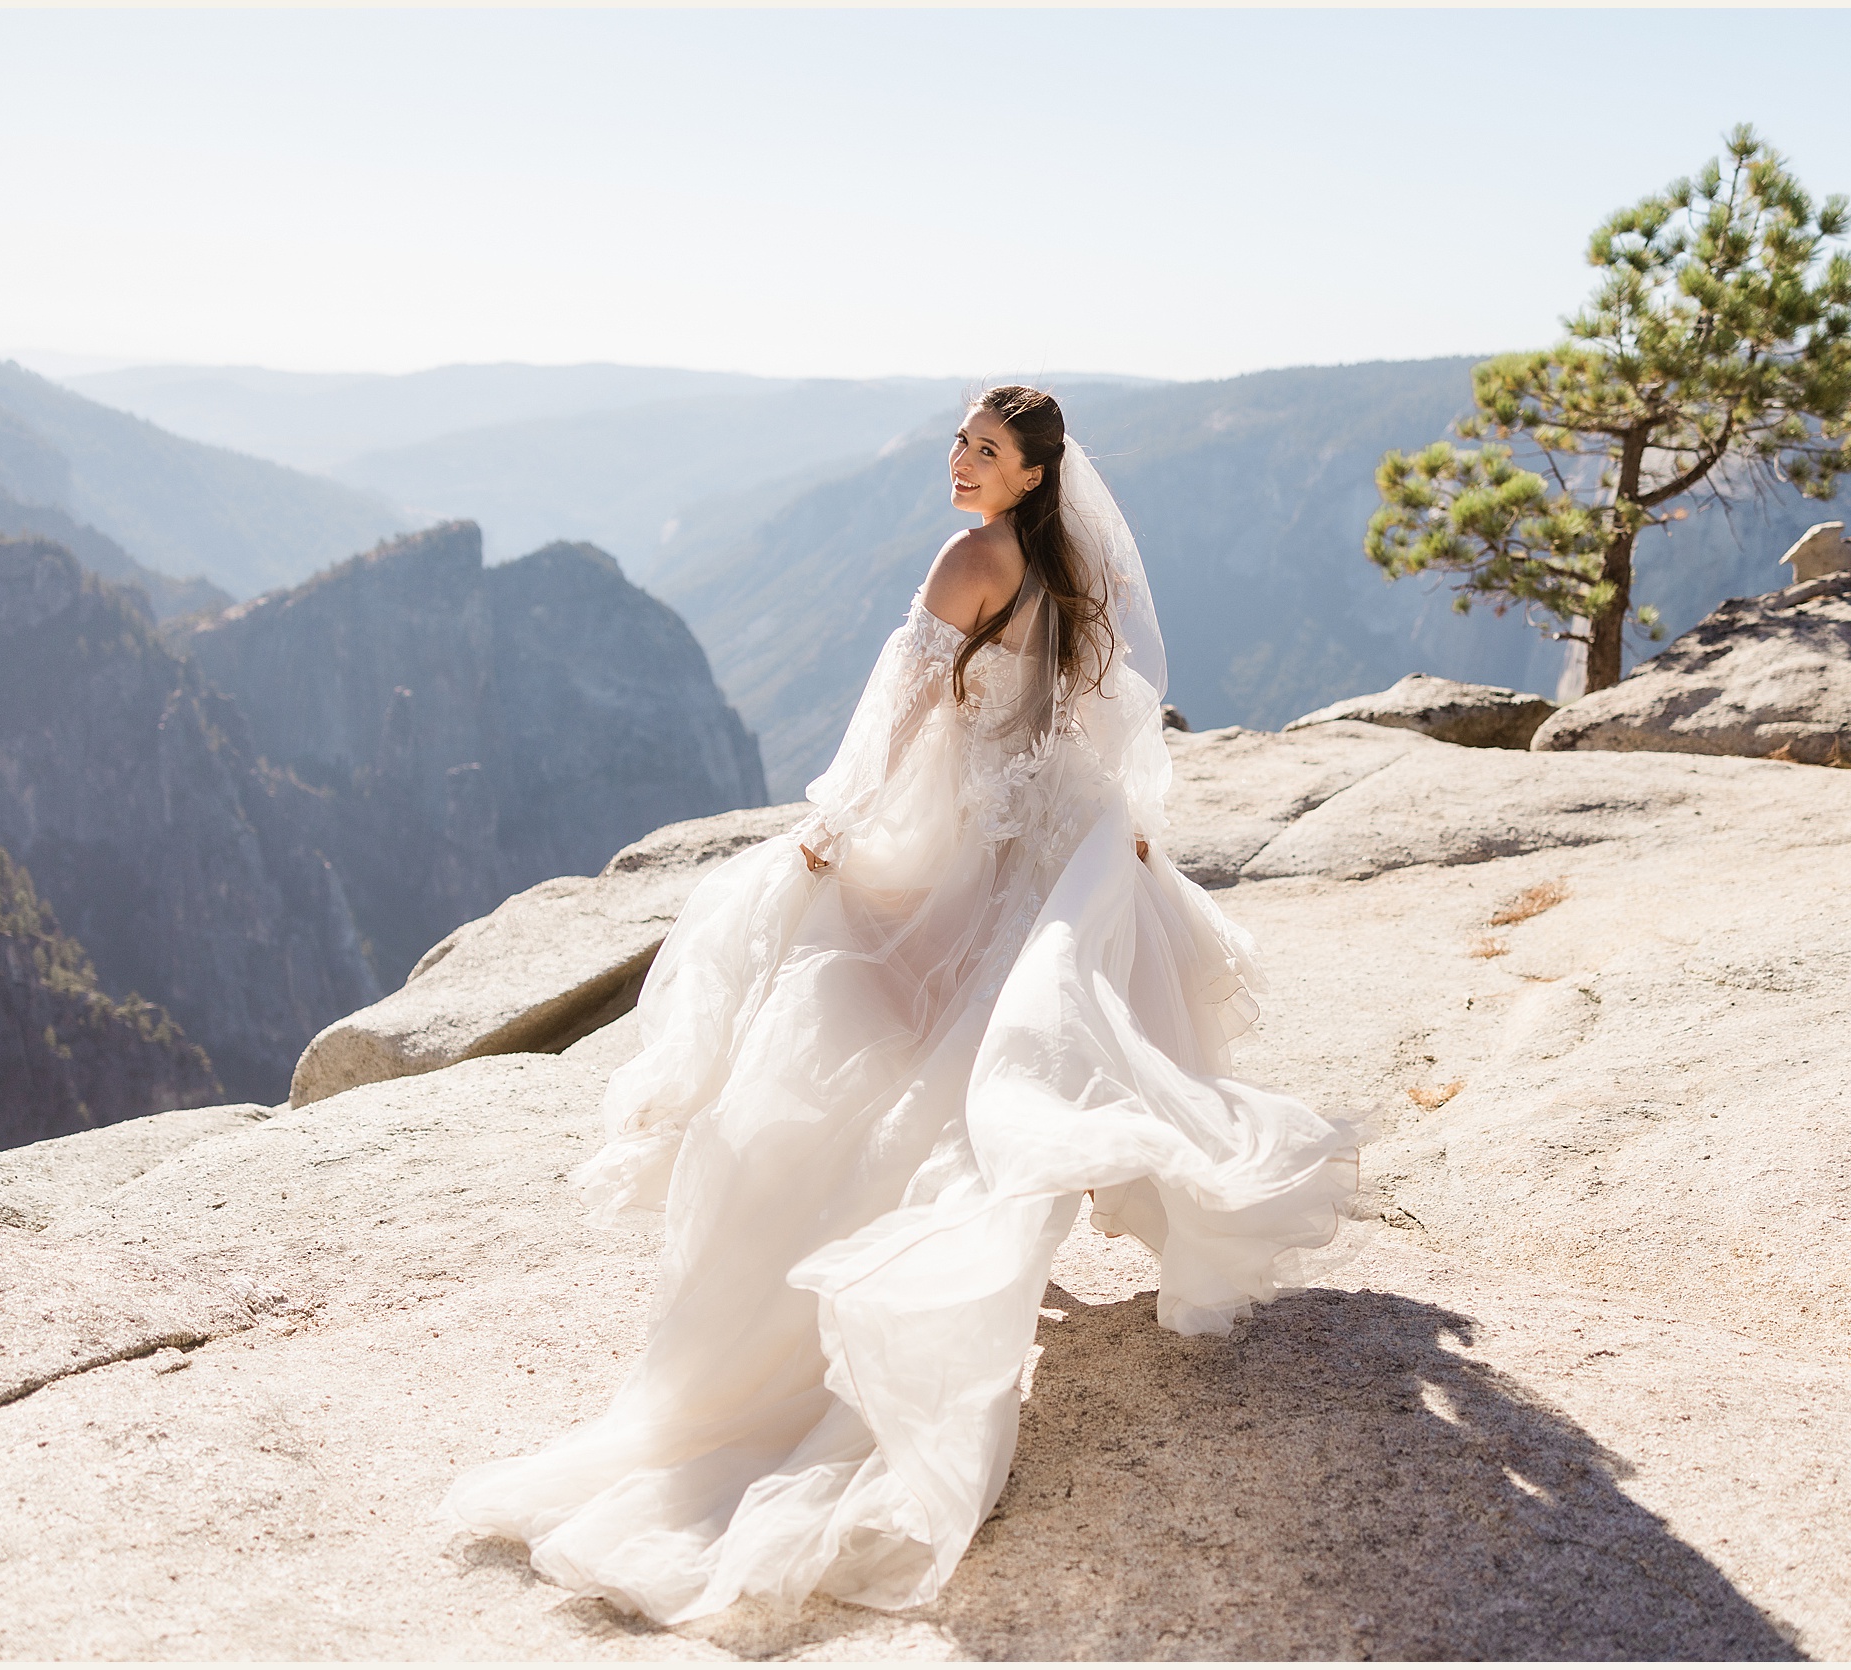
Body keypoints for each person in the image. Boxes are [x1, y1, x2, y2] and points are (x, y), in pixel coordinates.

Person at [442, 385, 1364, 1622]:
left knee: (883, 1031)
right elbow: (1096, 716)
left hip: (973, 839)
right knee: (1005, 1045)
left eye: (985, 451)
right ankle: (1002, 1224)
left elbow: (899, 711)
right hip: (1054, 836)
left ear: (1034, 472)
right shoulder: (1066, 560)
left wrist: (833, 828)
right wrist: (1118, 834)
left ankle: (898, 1271)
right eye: (960, 443)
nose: (960, 462)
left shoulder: (967, 556)